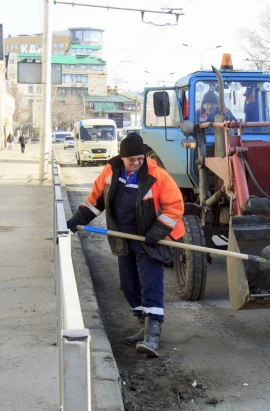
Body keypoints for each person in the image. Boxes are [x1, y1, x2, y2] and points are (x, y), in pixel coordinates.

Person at [66, 133, 185, 358]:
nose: (137, 162)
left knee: (151, 287)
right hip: (124, 239)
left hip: (150, 241)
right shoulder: (111, 173)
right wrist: (77, 219)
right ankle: (144, 326)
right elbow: (95, 201)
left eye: (140, 158)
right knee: (130, 286)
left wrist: (155, 232)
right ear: (122, 158)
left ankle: (152, 336)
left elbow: (175, 208)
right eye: (132, 159)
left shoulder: (157, 176)